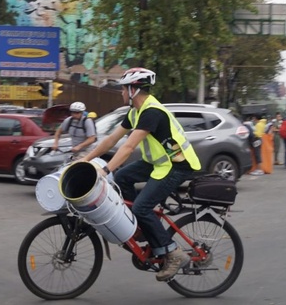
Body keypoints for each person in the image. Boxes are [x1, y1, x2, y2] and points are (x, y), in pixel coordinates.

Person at [80, 67, 201, 282]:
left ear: (133, 90)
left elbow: (127, 147)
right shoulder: (135, 112)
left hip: (176, 166)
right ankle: (140, 227)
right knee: (122, 178)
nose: (121, 93)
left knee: (141, 207)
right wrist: (86, 159)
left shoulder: (151, 112)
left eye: (123, 89)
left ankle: (173, 252)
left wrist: (105, 169)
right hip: (157, 163)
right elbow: (110, 140)